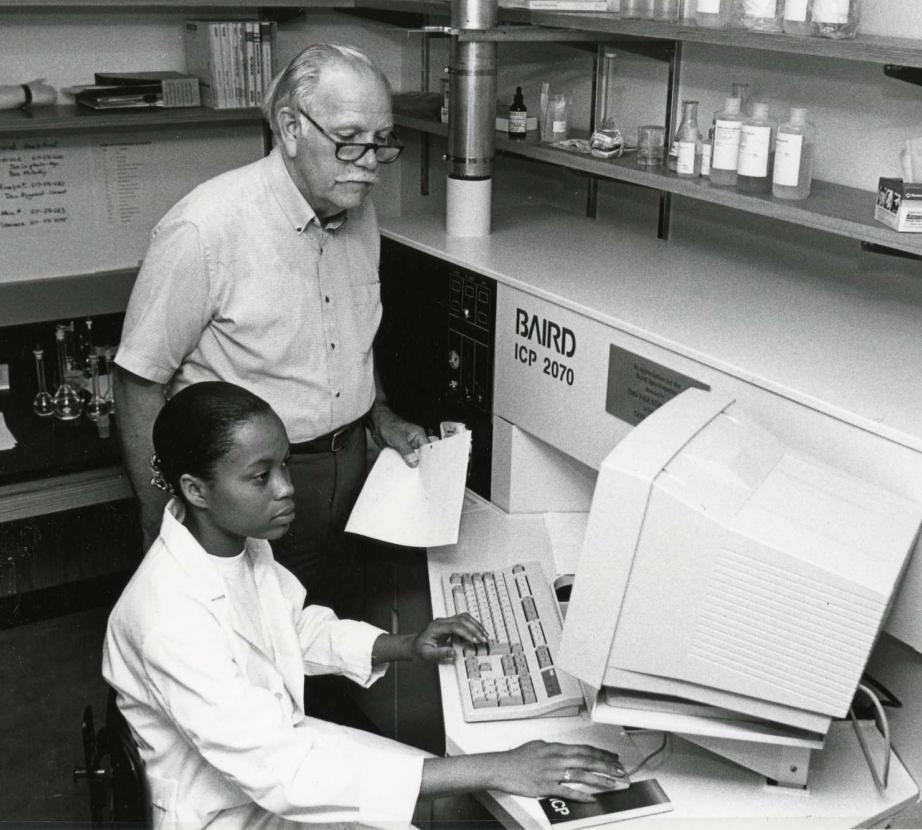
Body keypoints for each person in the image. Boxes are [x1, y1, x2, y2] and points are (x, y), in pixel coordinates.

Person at [102, 382, 627, 830]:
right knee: (456, 791)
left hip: (270, 759)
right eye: (262, 477)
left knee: (446, 800)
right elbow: (282, 774)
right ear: (196, 490)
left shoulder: (235, 540)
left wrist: (406, 646)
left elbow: (294, 628)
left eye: (284, 465)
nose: (287, 489)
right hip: (226, 811)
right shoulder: (165, 616)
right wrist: (497, 765)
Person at [113, 43, 427, 608]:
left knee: (325, 642)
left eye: (382, 141)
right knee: (249, 664)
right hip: (248, 489)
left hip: (352, 473)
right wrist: (163, 513)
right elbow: (137, 382)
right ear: (290, 127)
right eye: (351, 137)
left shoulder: (358, 209)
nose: (372, 162)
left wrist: (380, 416)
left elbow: (352, 335)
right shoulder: (204, 228)